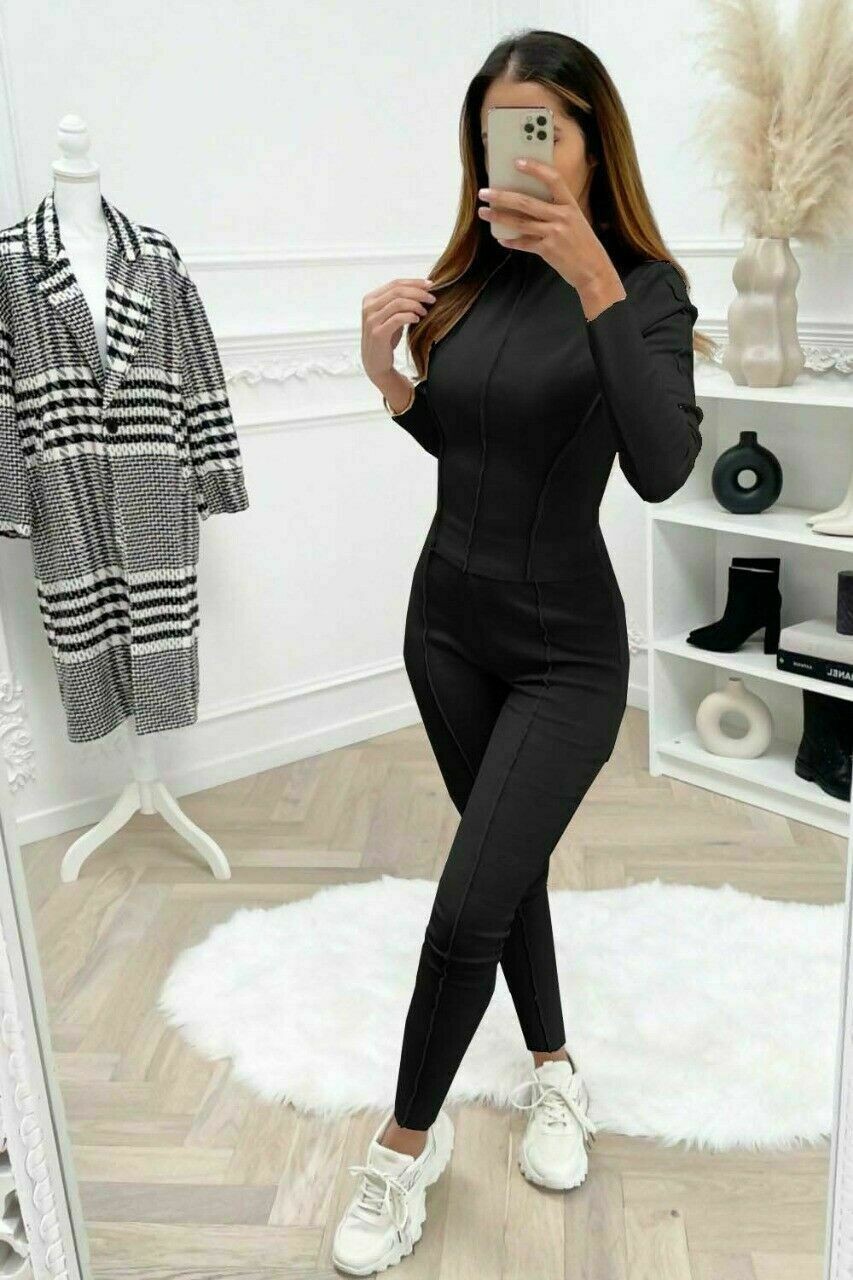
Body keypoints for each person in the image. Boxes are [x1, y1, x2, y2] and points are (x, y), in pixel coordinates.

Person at [334, 27, 706, 1276]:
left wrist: (595, 278)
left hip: (563, 653)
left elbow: (661, 467)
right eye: (499, 130)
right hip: (443, 628)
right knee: (506, 868)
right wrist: (390, 380)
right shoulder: (476, 276)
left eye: (542, 125)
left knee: (463, 906)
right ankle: (555, 1065)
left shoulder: (648, 288)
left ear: (593, 139)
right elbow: (469, 446)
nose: (519, 153)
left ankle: (402, 1145)